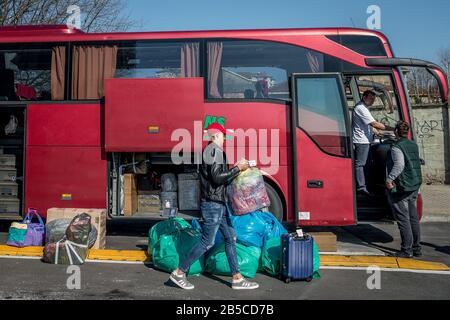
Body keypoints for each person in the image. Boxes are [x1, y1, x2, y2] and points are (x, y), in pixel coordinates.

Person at [169, 122, 259, 290]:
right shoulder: (214, 151)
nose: (225, 139)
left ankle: (237, 278)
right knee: (207, 241)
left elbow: (217, 179)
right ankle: (179, 272)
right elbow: (218, 178)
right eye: (224, 136)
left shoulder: (212, 152)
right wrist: (237, 168)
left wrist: (238, 170)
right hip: (213, 205)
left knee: (230, 237)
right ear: (217, 135)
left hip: (218, 203)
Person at [386, 121, 423, 258]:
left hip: (402, 187)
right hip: (414, 185)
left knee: (403, 219)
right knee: (413, 218)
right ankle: (417, 248)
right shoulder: (413, 144)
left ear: (396, 131)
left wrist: (389, 179)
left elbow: (399, 165)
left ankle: (406, 250)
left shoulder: (397, 147)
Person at [352, 90, 394, 195]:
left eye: (373, 99)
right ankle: (361, 188)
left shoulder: (364, 108)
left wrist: (377, 133)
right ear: (364, 97)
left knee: (367, 164)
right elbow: (374, 124)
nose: (372, 101)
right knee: (360, 164)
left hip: (366, 140)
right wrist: (393, 129)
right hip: (361, 141)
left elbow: (368, 126)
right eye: (371, 99)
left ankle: (367, 185)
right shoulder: (361, 108)